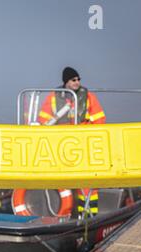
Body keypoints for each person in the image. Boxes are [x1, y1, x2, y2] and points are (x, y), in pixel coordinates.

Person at [38, 67, 106, 216]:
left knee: (87, 184)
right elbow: (43, 119)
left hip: (83, 143)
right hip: (60, 143)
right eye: (74, 80)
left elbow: (100, 119)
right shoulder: (53, 97)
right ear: (66, 82)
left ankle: (89, 215)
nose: (77, 82)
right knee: (60, 179)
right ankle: (62, 213)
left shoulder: (89, 97)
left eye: (78, 79)